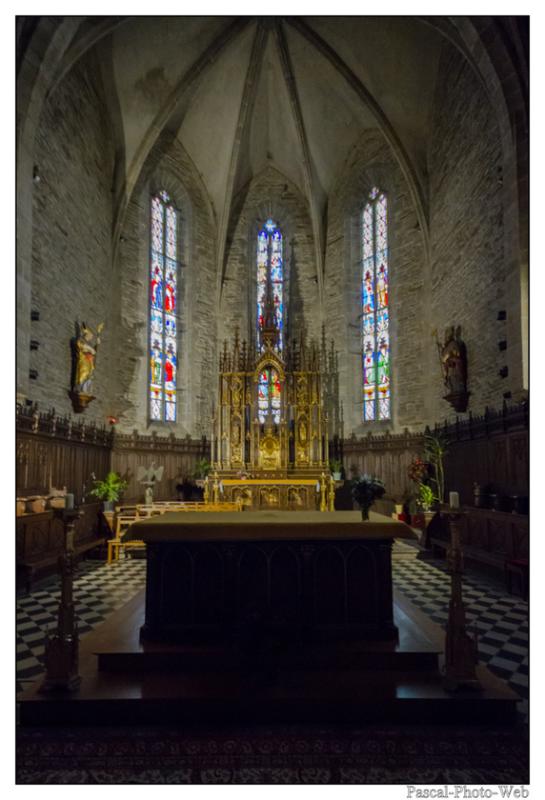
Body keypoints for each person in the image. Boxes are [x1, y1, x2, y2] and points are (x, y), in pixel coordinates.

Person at [74, 322, 104, 394]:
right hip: (83, 362)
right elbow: (80, 345)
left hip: (89, 363)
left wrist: (97, 344)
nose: (91, 338)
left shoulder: (89, 344)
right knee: (83, 373)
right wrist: (90, 349)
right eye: (90, 336)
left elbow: (94, 353)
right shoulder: (81, 341)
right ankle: (79, 388)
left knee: (88, 376)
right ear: (86, 335)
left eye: (91, 337)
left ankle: (85, 390)